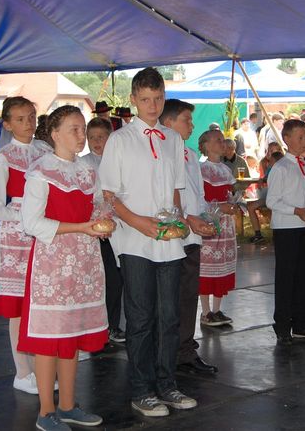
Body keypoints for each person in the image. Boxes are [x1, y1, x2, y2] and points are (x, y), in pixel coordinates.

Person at [99, 68, 197, 417]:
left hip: (167, 242)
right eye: (145, 99)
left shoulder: (173, 139)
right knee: (140, 318)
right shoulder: (120, 140)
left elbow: (174, 190)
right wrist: (138, 222)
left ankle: (167, 383)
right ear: (133, 100)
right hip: (134, 241)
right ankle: (142, 390)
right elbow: (108, 193)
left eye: (158, 99)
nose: (152, 105)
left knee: (170, 316)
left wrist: (180, 222)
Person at [19, 105, 108, 430]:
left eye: (82, 128)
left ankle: (68, 405)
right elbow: (31, 222)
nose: (81, 135)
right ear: (54, 134)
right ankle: (46, 412)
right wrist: (82, 228)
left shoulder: (87, 171)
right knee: (49, 341)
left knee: (72, 337)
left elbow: (98, 204)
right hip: (53, 266)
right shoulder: (41, 170)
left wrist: (103, 221)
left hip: (83, 265)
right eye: (73, 128)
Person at [0, 96, 49, 394]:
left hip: (44, 233)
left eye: (32, 117)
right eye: (21, 119)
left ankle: (39, 369)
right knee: (18, 308)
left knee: (40, 304)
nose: (28, 124)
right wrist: (23, 213)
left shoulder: (45, 151)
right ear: (8, 125)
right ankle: (22, 371)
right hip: (17, 237)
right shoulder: (5, 156)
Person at [159, 99, 219, 376]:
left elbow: (197, 196)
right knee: (167, 300)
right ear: (168, 123)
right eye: (187, 119)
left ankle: (185, 350)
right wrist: (186, 219)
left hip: (192, 237)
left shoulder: (190, 155)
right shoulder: (160, 153)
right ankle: (166, 353)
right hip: (171, 237)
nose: (192, 125)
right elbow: (164, 198)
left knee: (187, 297)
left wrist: (206, 219)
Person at [267, 119, 305, 345]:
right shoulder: (280, 167)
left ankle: (302, 322)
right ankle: (282, 324)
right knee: (286, 277)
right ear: (287, 139)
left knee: (304, 277)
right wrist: (297, 210)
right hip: (286, 228)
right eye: (300, 137)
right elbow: (272, 201)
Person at [80, 117, 125, 343]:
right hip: (92, 230)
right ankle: (95, 326)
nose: (96, 142)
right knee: (97, 280)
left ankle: (113, 325)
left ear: (111, 137)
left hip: (116, 228)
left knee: (116, 280)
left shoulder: (120, 161)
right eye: (92, 138)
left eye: (101, 137)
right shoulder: (83, 163)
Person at [198, 129, 239, 327]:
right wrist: (219, 207)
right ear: (206, 145)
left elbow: (229, 193)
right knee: (207, 267)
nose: (222, 143)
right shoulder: (201, 169)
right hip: (210, 222)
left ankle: (217, 309)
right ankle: (205, 312)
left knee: (223, 264)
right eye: (217, 140)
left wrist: (233, 204)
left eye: (223, 140)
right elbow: (200, 199)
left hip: (225, 224)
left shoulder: (225, 169)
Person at [248, 142, 283, 244]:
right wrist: (262, 179)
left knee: (273, 208)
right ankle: (258, 234)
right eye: (269, 150)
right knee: (250, 206)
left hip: (277, 197)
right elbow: (265, 178)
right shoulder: (267, 163)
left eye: (273, 151)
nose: (270, 153)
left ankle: (276, 235)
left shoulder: (282, 165)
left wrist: (264, 179)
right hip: (268, 196)